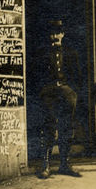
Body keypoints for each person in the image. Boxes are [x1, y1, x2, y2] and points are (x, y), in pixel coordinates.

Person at [35, 20, 83, 178]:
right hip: (49, 93)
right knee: (48, 127)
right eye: (53, 33)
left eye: (58, 33)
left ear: (63, 34)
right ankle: (46, 165)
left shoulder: (71, 52)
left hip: (66, 92)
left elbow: (77, 75)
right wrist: (43, 89)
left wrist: (71, 91)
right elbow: (36, 75)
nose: (55, 36)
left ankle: (65, 164)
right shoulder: (43, 52)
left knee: (67, 128)